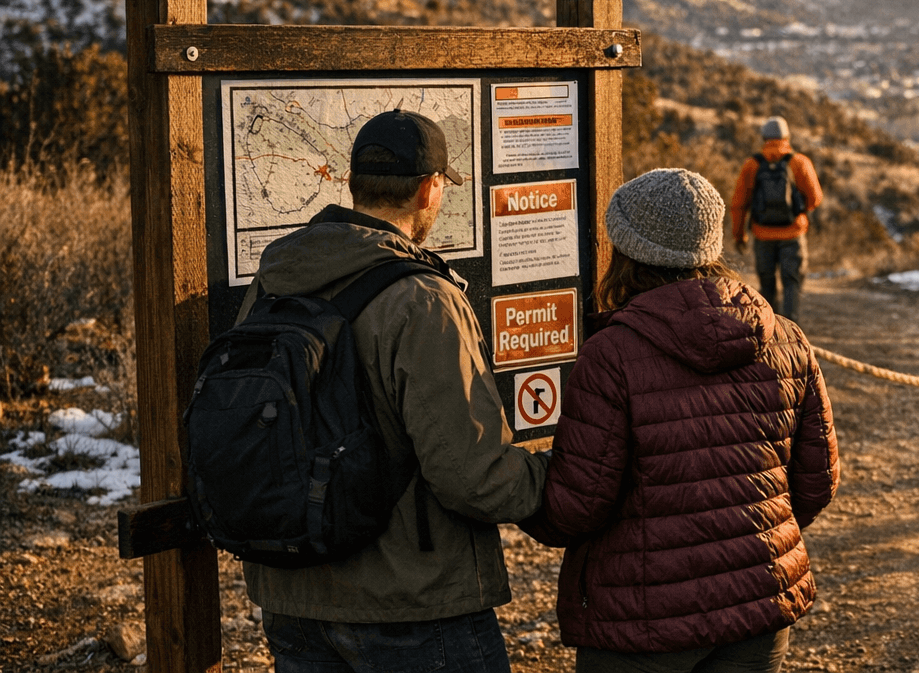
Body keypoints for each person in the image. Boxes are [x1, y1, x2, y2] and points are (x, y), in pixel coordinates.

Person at [239, 109, 547, 673]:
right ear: (431, 189)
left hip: (292, 595)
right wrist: (552, 483)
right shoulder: (423, 299)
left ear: (354, 183)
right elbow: (471, 476)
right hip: (411, 602)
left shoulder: (274, 278)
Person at [521, 167, 839, 673]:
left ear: (625, 250)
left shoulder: (611, 354)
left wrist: (505, 482)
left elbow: (575, 509)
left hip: (640, 623)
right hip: (758, 605)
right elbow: (816, 482)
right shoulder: (787, 338)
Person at [730, 116, 823, 322]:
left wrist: (739, 235)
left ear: (764, 138)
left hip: (763, 234)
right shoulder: (799, 162)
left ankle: (770, 331)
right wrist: (798, 211)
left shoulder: (752, 165)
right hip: (793, 233)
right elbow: (815, 198)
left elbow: (738, 204)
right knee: (792, 283)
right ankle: (791, 330)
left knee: (767, 284)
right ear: (787, 137)